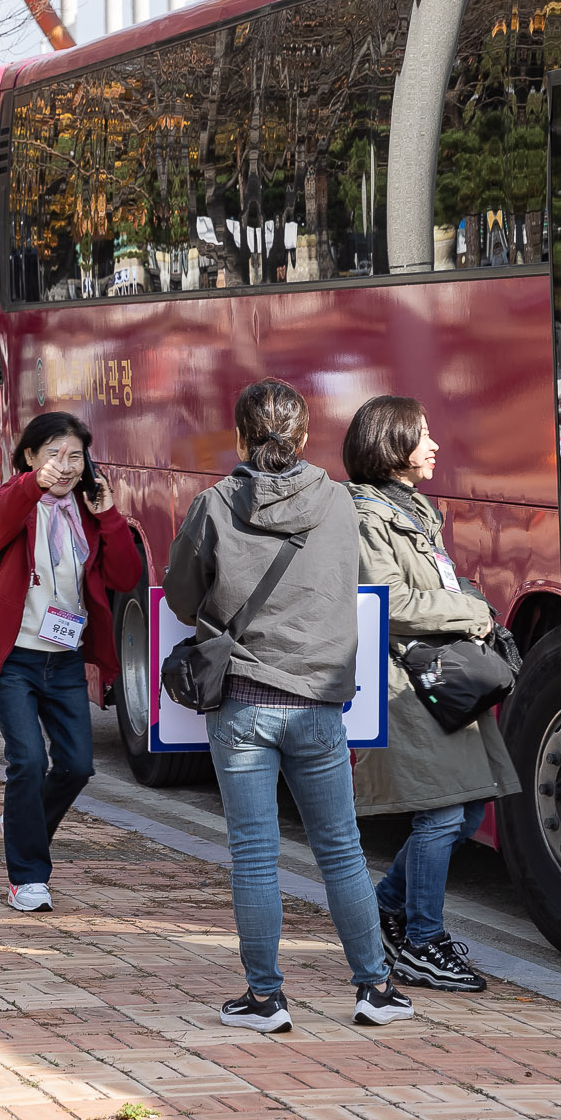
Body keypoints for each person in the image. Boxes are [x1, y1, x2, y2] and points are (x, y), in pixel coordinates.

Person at [163, 378, 411, 1032]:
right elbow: (349, 585)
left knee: (253, 851)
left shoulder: (214, 504)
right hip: (318, 704)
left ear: (241, 438)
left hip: (241, 702)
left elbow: (182, 598)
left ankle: (266, 998)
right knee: (342, 849)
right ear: (304, 438)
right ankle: (375, 988)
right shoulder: (337, 502)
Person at [343, 395, 516, 995]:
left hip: (434, 678)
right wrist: (471, 611)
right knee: (444, 811)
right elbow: (390, 601)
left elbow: (431, 581)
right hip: (407, 682)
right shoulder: (368, 517)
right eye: (422, 435)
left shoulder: (409, 508)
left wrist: (475, 606)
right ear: (391, 447)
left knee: (467, 807)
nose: (435, 444)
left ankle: (386, 912)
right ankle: (421, 941)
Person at [0, 410, 142, 912]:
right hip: (14, 657)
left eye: (75, 456)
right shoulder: (14, 502)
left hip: (63, 659)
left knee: (77, 766)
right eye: (53, 455)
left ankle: (23, 820)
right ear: (29, 456)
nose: (65, 467)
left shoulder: (88, 511)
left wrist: (109, 513)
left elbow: (126, 572)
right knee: (26, 761)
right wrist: (32, 483)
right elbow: (7, 504)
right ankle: (28, 878)